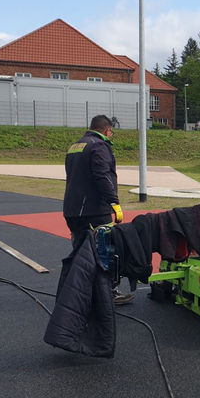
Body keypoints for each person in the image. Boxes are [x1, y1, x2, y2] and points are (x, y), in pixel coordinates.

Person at [63, 114, 132, 305]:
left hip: (72, 210)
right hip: (93, 210)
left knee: (80, 253)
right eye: (112, 132)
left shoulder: (75, 146)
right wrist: (114, 203)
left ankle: (78, 293)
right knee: (104, 251)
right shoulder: (99, 146)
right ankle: (107, 294)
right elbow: (102, 176)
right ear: (107, 130)